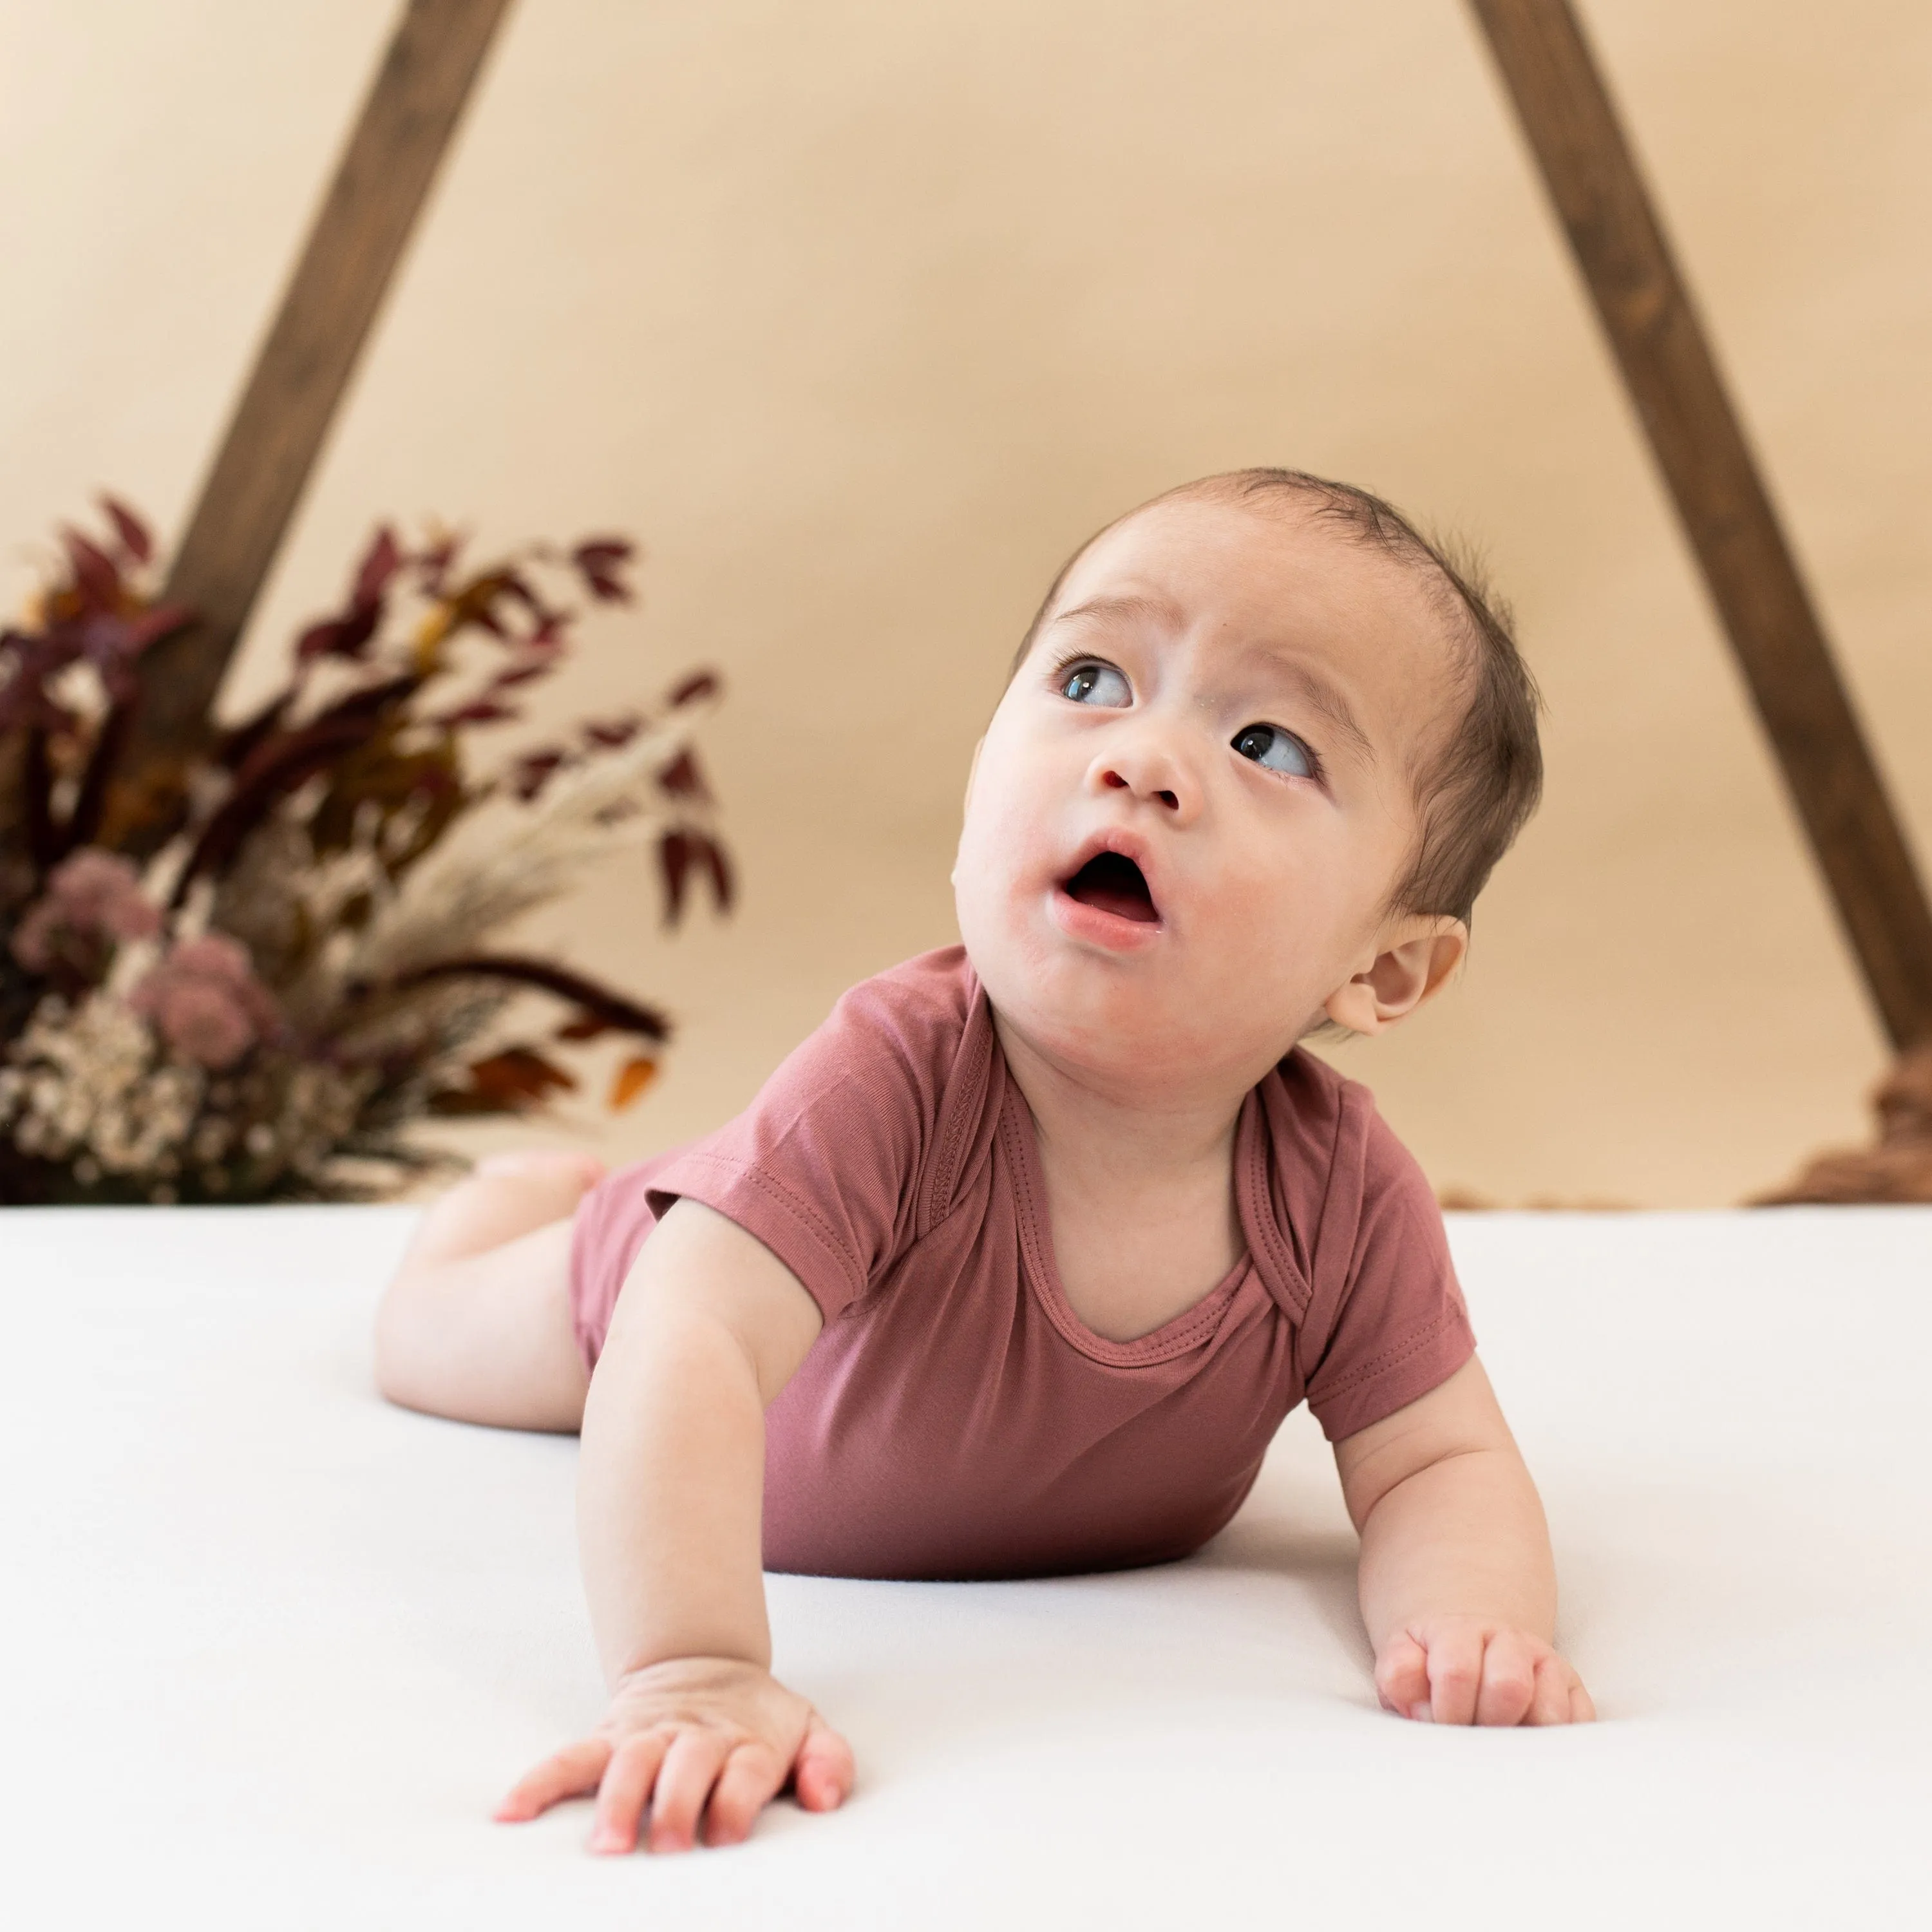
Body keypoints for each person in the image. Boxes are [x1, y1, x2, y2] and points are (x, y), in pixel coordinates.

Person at [373, 468, 1595, 1857]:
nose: (1139, 758)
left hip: (749, 1259)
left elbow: (1437, 1461)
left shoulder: (1341, 1194)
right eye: (1091, 677)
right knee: (431, 1342)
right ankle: (526, 1205)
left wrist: (1474, 1623)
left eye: (1267, 741)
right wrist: (692, 1671)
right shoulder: (900, 1072)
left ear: (1386, 967)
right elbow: (690, 1337)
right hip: (648, 1291)